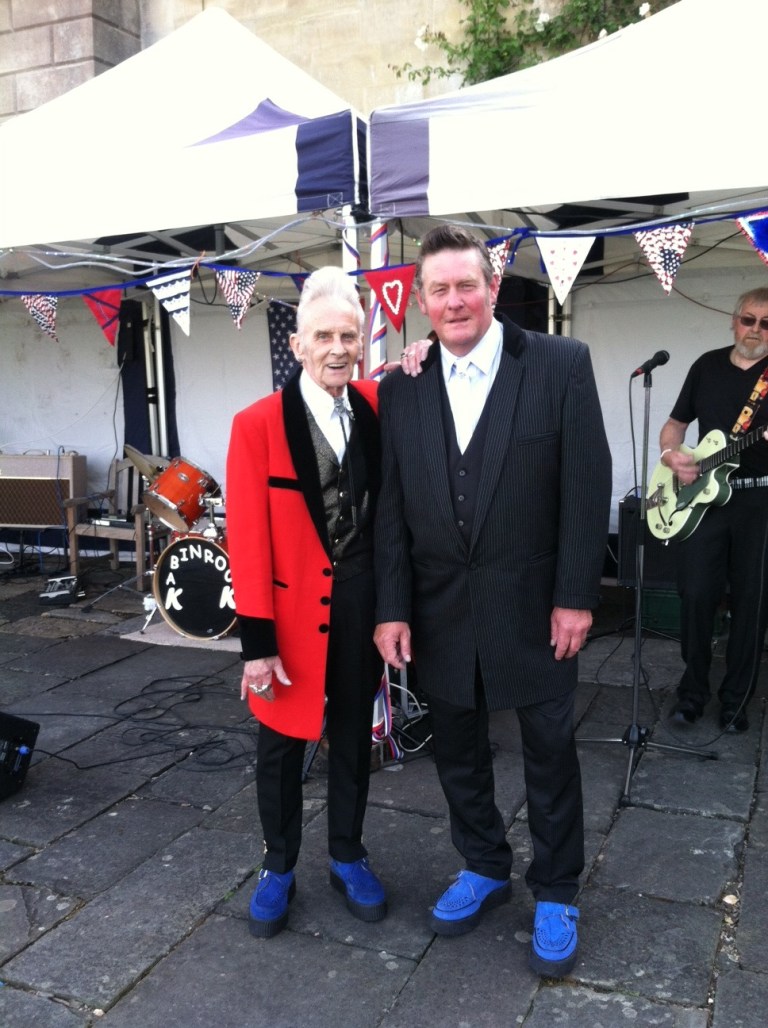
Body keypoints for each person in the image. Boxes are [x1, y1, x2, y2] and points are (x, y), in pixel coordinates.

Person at [374, 224, 611, 978]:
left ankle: (557, 888)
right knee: (457, 751)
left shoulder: (560, 363)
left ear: (493, 288)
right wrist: (391, 606)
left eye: (466, 286)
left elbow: (587, 487)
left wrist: (576, 596)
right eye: (439, 289)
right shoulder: (401, 385)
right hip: (439, 608)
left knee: (550, 752)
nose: (454, 301)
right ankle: (482, 863)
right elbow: (390, 508)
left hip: (536, 606)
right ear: (421, 301)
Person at [226, 266, 387, 938]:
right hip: (288, 616)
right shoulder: (256, 424)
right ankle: (278, 864)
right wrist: (256, 645)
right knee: (281, 748)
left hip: (359, 604)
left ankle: (347, 853)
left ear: (362, 341)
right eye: (323, 336)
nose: (337, 349)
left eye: (349, 336)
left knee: (352, 736)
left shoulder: (377, 402)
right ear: (297, 344)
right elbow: (246, 542)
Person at [660, 286, 768, 734]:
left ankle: (736, 701)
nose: (756, 330)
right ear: (733, 320)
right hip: (705, 501)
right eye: (749, 319)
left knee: (752, 602)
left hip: (760, 501)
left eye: (766, 324)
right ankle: (691, 693)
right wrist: (671, 456)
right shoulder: (706, 365)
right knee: (696, 593)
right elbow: (675, 425)